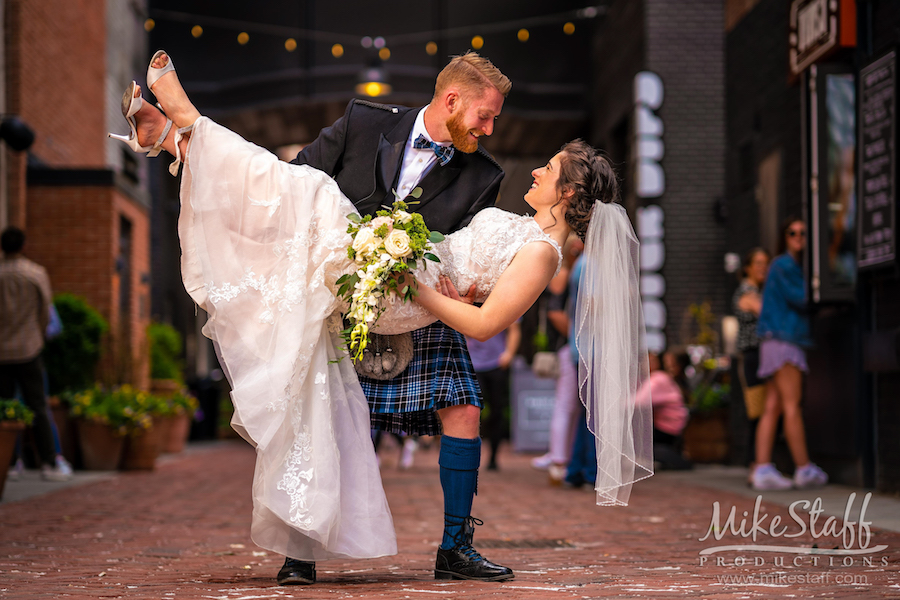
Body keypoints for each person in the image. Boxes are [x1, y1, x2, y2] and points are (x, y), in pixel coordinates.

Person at [111, 53, 652, 583]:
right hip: (370, 278)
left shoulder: (488, 181)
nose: (489, 130)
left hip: (413, 297)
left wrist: (425, 284)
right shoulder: (365, 120)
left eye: (547, 167)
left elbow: (480, 289)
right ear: (452, 98)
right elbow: (293, 174)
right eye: (485, 116)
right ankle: (301, 550)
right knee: (302, 195)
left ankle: (456, 547)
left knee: (463, 409)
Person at [751, 218, 828, 491]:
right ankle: (804, 468)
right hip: (784, 341)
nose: (798, 237)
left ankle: (762, 467)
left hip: (774, 341)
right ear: (784, 237)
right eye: (792, 233)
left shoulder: (784, 265)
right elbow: (804, 297)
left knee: (773, 406)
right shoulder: (785, 265)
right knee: (792, 405)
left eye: (804, 233)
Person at [0, 227, 71, 481]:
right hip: (29, 346)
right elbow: (45, 312)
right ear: (24, 245)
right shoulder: (35, 273)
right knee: (38, 406)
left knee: (4, 407)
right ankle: (50, 462)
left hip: (2, 350)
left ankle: (8, 463)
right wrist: (37, 334)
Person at [531, 235, 583, 484]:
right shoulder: (563, 275)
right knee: (566, 405)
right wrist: (577, 333)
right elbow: (555, 312)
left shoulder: (567, 272)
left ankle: (561, 456)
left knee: (569, 406)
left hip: (567, 345)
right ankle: (559, 458)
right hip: (566, 347)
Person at [732, 248, 772, 470]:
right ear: (747, 267)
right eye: (757, 263)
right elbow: (766, 312)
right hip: (753, 357)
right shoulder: (747, 292)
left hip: (762, 356)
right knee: (757, 410)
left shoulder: (758, 290)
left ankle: (759, 461)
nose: (762, 268)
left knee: (765, 409)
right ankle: (755, 463)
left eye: (765, 263)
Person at [465, 321, 521, 470]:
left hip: (497, 363)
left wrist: (509, 353)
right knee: (472, 412)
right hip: (473, 364)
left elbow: (514, 328)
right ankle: (470, 457)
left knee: (497, 412)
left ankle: (493, 458)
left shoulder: (504, 298)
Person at [636, 351, 691, 471]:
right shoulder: (660, 377)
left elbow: (641, 401)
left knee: (635, 436)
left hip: (668, 425)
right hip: (671, 423)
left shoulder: (658, 379)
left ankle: (676, 460)